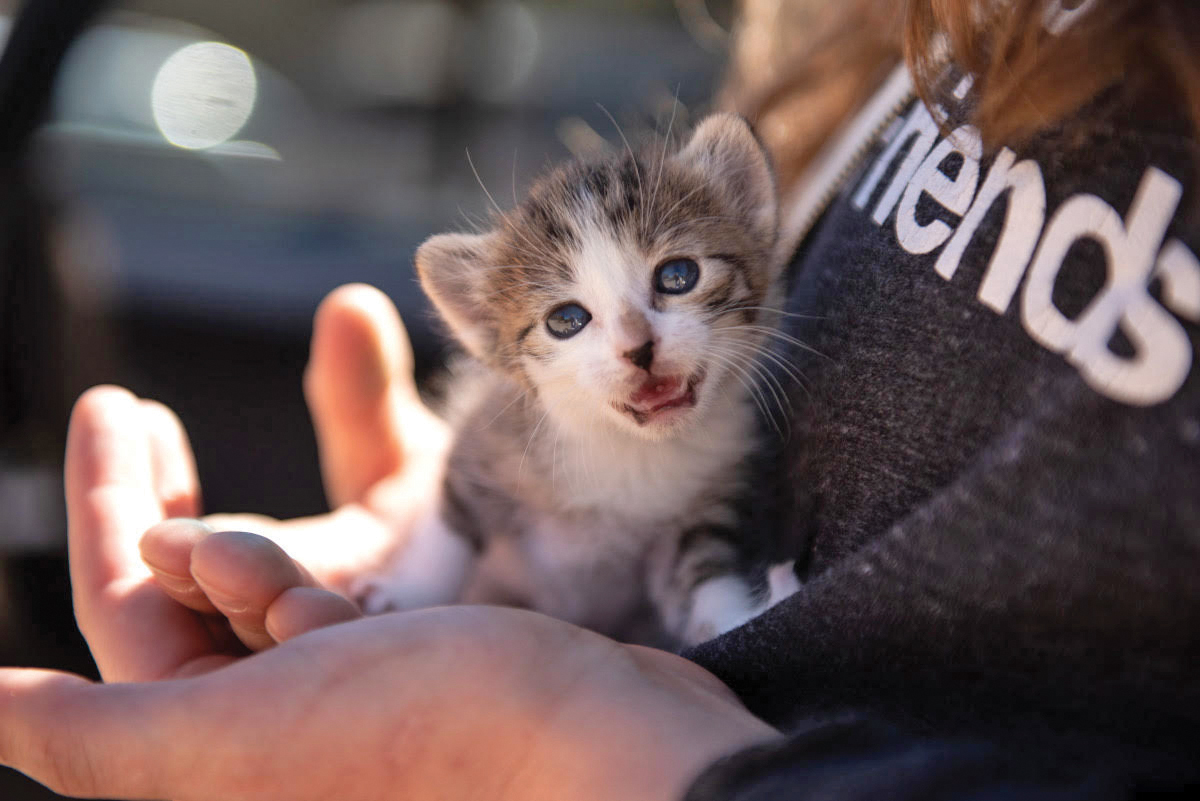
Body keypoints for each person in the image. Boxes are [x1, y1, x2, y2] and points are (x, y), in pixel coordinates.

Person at [3, 0, 1200, 798]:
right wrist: (443, 568)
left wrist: (569, 738)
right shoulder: (904, 32)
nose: (632, 344)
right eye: (570, 321)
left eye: (672, 282)